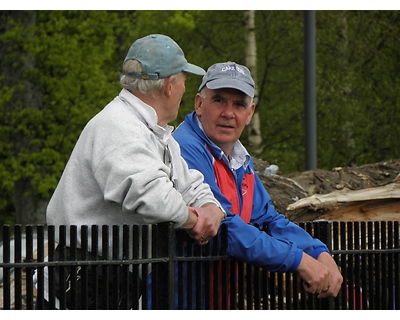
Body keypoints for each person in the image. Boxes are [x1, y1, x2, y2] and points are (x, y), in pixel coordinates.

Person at [37, 34, 226, 309]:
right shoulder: (117, 126)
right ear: (170, 85)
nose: (186, 88)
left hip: (111, 283)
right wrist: (194, 220)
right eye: (185, 79)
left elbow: (191, 185)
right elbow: (156, 199)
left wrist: (212, 208)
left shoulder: (155, 132)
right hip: (78, 287)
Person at [173, 61, 343, 302]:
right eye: (219, 100)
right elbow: (224, 229)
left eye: (239, 104)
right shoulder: (186, 147)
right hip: (173, 300)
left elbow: (268, 219)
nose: (228, 113)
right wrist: (299, 260)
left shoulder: (239, 158)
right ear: (199, 104)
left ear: (250, 113)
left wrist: (317, 251)